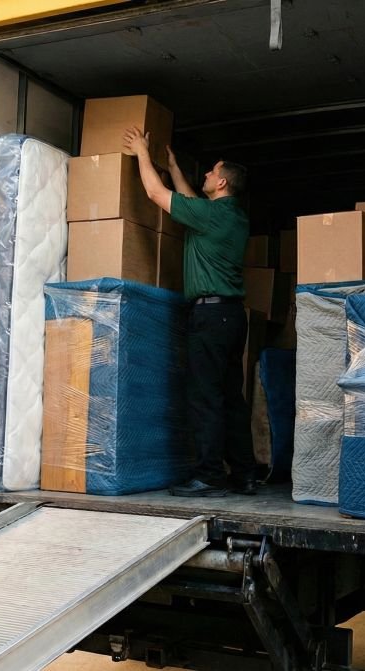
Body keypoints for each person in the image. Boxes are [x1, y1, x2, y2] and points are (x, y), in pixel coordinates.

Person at [122, 126, 257, 498]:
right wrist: (174, 168)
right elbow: (190, 200)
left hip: (210, 318)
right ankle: (244, 474)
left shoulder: (211, 215)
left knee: (205, 397)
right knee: (230, 397)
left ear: (223, 183)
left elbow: (155, 193)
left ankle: (210, 476)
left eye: (212, 172)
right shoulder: (229, 215)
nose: (207, 175)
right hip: (231, 317)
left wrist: (141, 152)